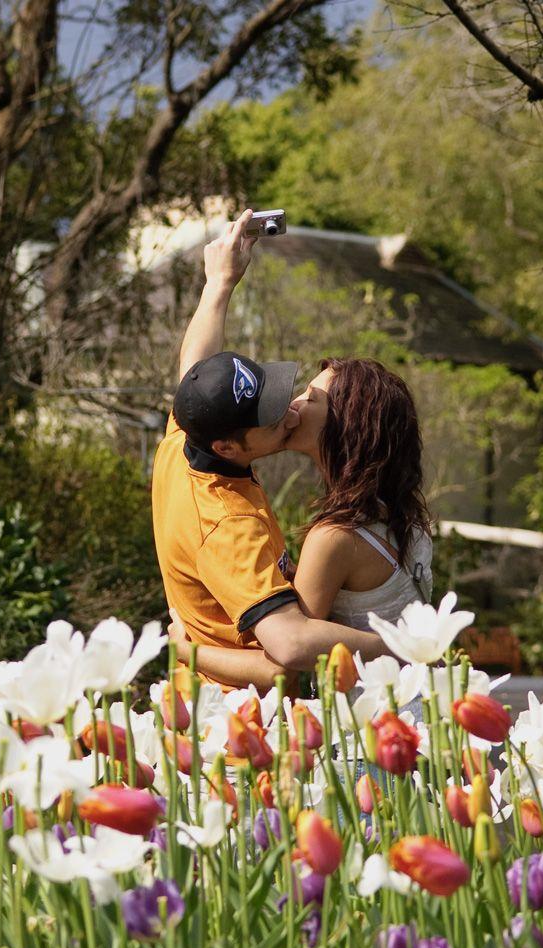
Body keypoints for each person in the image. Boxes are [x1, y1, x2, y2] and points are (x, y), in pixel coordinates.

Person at [152, 210, 388, 693]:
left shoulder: (185, 438)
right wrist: (405, 643)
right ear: (226, 445)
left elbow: (194, 367)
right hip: (233, 729)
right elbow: (289, 648)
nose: (288, 413)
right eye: (269, 417)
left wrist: (219, 282)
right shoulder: (229, 526)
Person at [168, 355, 434, 676]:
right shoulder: (408, 517)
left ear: (344, 426)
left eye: (310, 397)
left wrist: (184, 651)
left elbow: (287, 657)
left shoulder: (335, 537)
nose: (292, 406)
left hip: (375, 712)